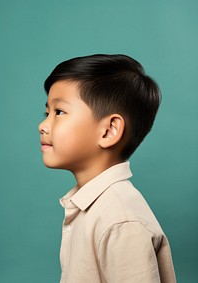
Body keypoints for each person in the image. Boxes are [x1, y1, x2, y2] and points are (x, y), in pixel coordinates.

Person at [38, 54, 176, 283]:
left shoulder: (121, 221)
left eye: (59, 112)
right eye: (47, 113)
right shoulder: (92, 205)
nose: (43, 125)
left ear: (109, 131)